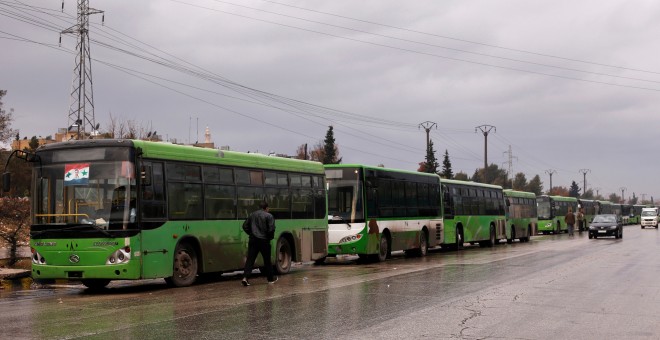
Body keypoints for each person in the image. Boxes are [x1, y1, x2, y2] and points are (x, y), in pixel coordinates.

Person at [241, 201, 277, 286]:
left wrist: (251, 234)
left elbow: (244, 226)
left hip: (253, 240)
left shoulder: (252, 215)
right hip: (264, 240)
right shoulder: (269, 216)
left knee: (250, 259)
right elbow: (271, 229)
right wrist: (269, 238)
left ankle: (245, 278)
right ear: (266, 208)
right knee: (267, 260)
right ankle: (270, 279)